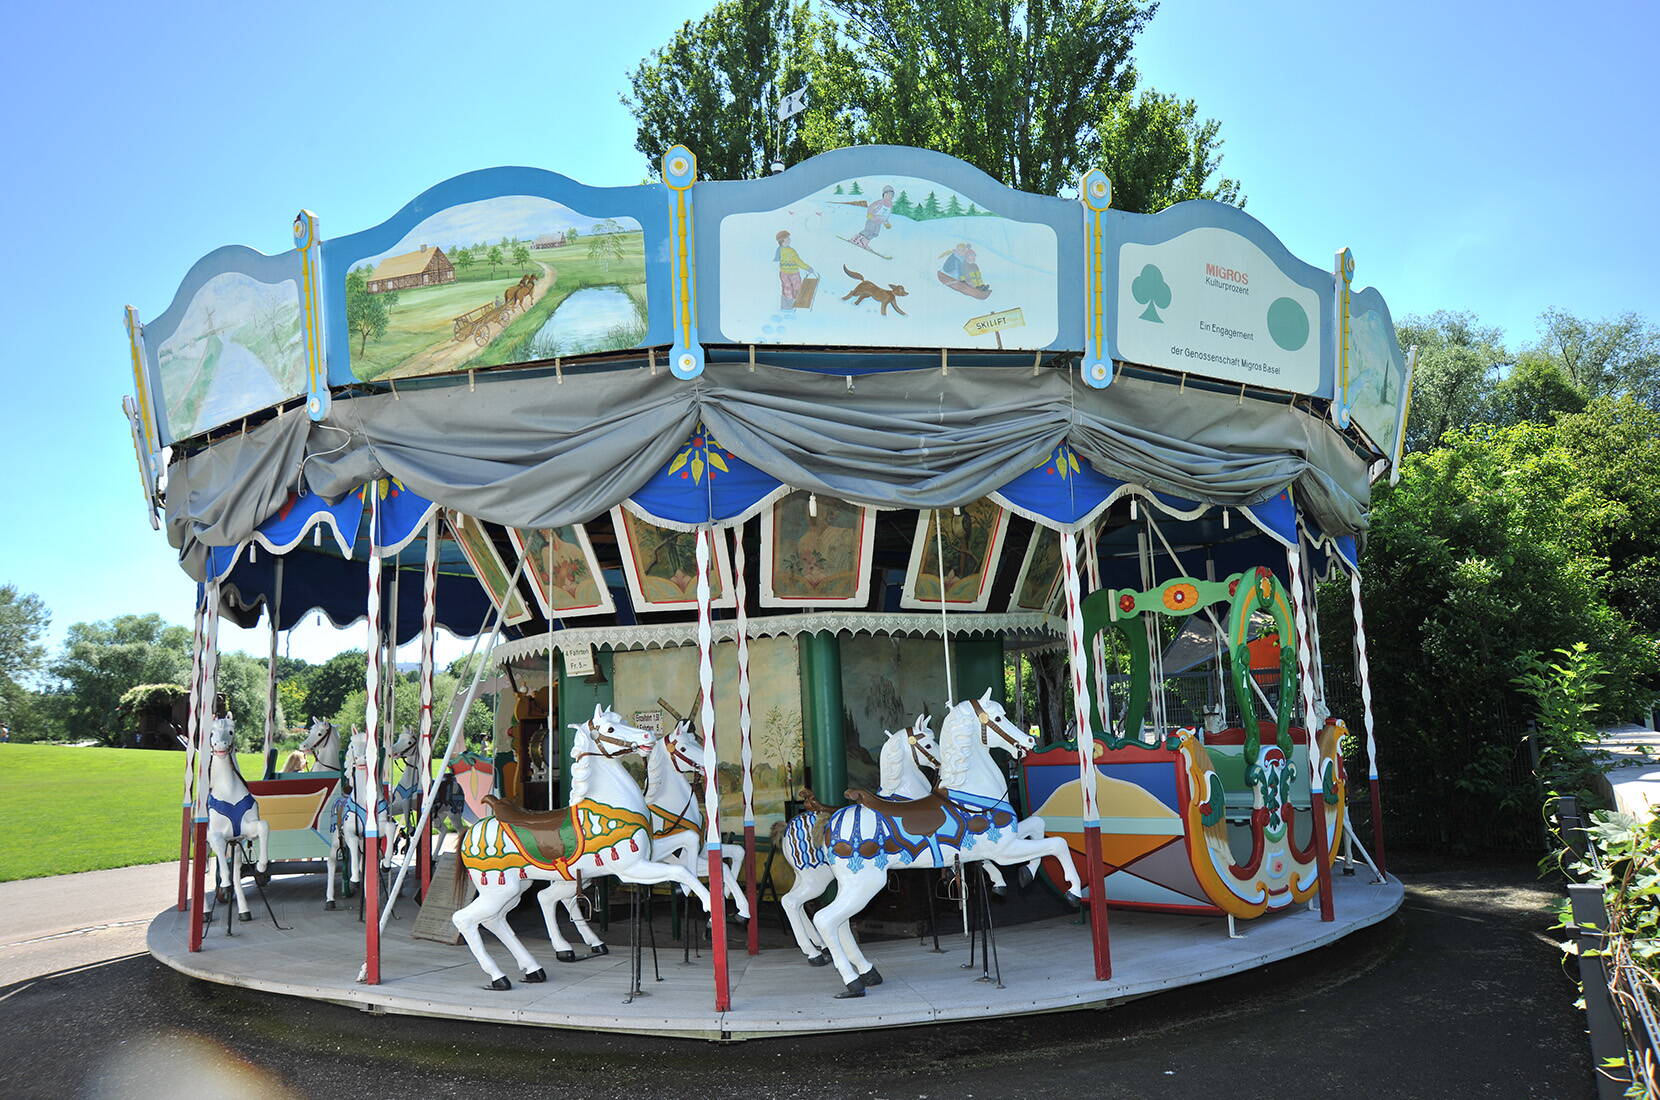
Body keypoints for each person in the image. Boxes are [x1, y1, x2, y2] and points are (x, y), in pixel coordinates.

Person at [774, 230, 816, 309]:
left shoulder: (779, 250)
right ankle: (797, 304)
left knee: (786, 288)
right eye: (788, 238)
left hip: (783, 273)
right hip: (793, 273)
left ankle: (787, 306)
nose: (789, 239)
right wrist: (808, 268)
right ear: (783, 240)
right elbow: (798, 262)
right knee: (797, 288)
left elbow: (778, 260)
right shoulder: (791, 251)